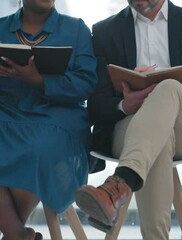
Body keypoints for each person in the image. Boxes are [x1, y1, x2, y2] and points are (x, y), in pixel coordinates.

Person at [74, 0, 182, 238]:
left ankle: (119, 184)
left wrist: (169, 85)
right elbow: (95, 106)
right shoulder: (105, 31)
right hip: (129, 126)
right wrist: (124, 104)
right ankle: (126, 183)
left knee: (168, 87)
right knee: (158, 141)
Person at [0, 0, 98, 239]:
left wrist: (39, 81)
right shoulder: (1, 27)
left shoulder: (76, 29)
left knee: (40, 148)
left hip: (59, 117)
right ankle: (18, 235)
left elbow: (87, 84)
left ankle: (14, 234)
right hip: (7, 113)